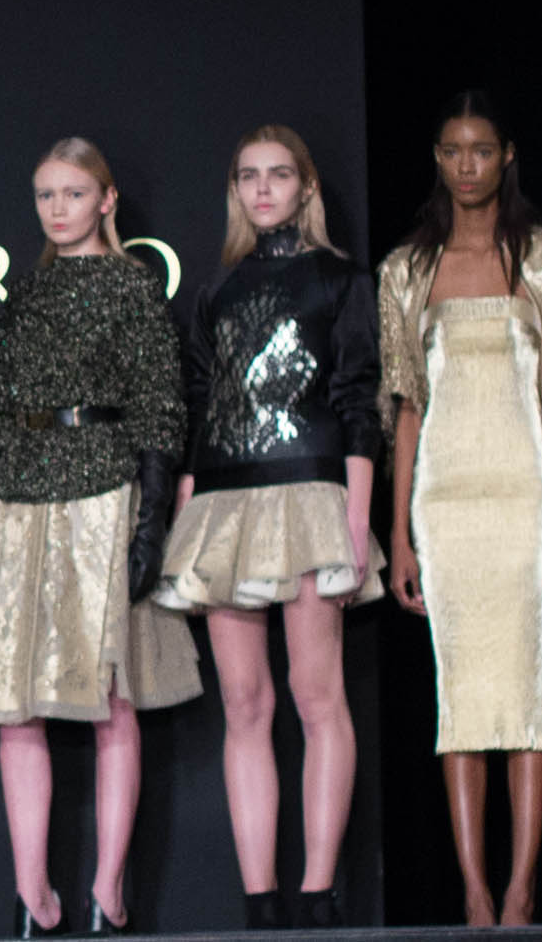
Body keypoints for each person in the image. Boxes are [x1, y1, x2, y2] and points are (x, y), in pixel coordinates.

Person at [0, 137, 200, 937]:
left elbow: (159, 405)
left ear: (106, 199)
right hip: (20, 501)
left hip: (102, 494)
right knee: (15, 703)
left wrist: (149, 518)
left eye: (73, 193)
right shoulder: (26, 289)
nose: (57, 209)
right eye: (45, 194)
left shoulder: (132, 285)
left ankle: (107, 888)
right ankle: (32, 893)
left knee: (110, 698)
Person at [154, 125, 379, 931]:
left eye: (277, 174)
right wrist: (185, 508)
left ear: (304, 186)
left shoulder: (340, 280)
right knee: (244, 702)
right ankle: (259, 901)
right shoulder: (215, 288)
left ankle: (317, 894)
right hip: (224, 501)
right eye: (247, 175)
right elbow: (201, 400)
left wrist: (357, 514)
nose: (261, 188)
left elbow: (358, 397)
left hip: (311, 490)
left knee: (316, 694)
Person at [383, 91, 542, 931]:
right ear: (436, 158)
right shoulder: (406, 268)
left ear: (506, 154)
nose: (464, 165)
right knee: (461, 697)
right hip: (444, 501)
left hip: (524, 493)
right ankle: (474, 890)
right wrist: (398, 532)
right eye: (450, 150)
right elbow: (405, 403)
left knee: (526, 692)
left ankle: (521, 889)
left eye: (479, 149)